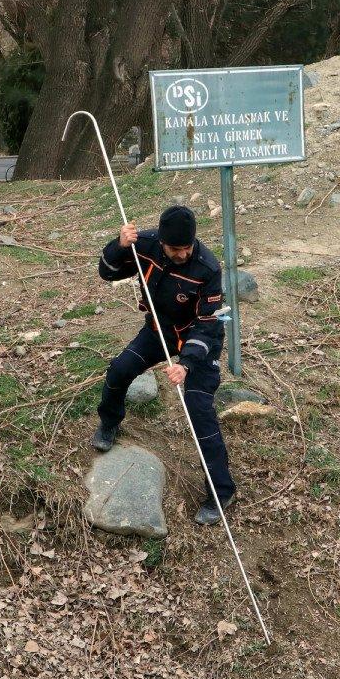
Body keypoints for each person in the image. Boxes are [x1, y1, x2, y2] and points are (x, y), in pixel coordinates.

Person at [92, 205, 235, 525]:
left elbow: (208, 324)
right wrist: (118, 245)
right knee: (119, 370)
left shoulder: (208, 268)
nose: (182, 253)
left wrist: (186, 363)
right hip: (159, 331)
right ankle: (110, 422)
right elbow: (107, 272)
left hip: (200, 340)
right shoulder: (145, 245)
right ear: (163, 242)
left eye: (187, 247)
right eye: (175, 249)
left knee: (198, 407)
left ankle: (221, 491)